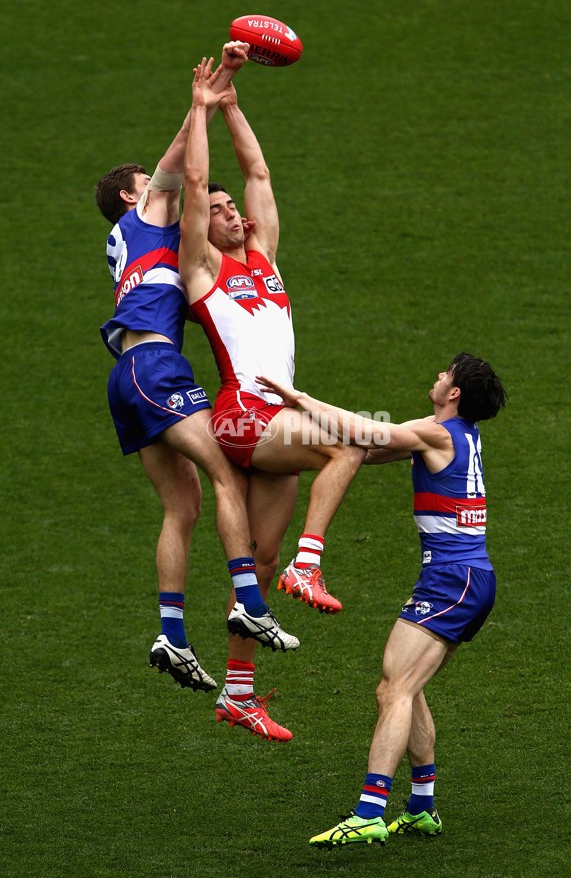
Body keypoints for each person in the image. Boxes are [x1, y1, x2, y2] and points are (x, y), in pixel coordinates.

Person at [94, 44, 298, 703]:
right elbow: (186, 160)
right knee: (224, 475)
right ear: (131, 193)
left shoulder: (128, 242)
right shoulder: (147, 208)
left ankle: (171, 632)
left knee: (181, 506)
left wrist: (221, 91)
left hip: (127, 374)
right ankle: (248, 599)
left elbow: (210, 157)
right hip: (155, 363)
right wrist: (206, 100)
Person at [178, 56, 366, 740]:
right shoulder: (201, 269)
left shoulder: (267, 260)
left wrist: (232, 105)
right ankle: (309, 566)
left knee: (255, 562)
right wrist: (200, 105)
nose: (235, 216)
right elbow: (198, 181)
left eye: (235, 212)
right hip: (242, 415)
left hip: (271, 419)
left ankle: (237, 692)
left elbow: (256, 173)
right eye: (223, 213)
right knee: (344, 446)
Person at [256, 352, 507, 845]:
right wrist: (296, 448)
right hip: (467, 580)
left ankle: (370, 811)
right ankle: (421, 808)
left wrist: (298, 400)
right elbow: (363, 448)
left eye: (445, 374)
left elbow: (366, 434)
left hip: (452, 581)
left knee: (393, 690)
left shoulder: (435, 434)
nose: (436, 376)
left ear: (454, 393)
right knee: (409, 687)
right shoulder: (451, 433)